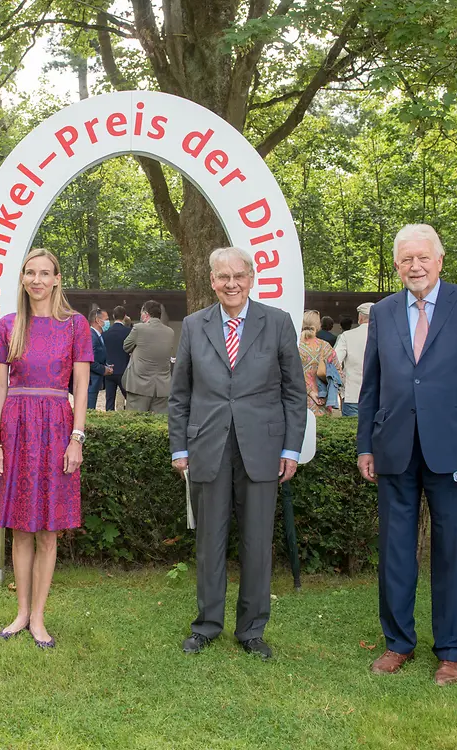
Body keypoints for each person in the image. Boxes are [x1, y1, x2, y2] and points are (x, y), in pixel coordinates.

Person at [358, 224, 457, 686]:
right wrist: (365, 443)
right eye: (406, 259)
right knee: (395, 551)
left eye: (423, 257)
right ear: (397, 265)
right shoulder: (383, 312)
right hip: (395, 449)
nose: (415, 266)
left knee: (454, 552)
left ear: (440, 260)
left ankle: (452, 651)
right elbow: (371, 384)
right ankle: (398, 642)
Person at [169, 246, 306, 660]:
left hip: (262, 449)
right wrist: (179, 447)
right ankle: (207, 626)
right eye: (223, 277)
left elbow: (294, 393)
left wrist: (291, 449)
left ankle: (251, 631)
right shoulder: (194, 325)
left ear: (252, 278)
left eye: (239, 276)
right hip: (207, 446)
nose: (231, 284)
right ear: (212, 281)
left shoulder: (278, 323)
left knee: (257, 542)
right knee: (209, 541)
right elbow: (179, 396)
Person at [0, 248, 92, 649]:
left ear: (57, 279)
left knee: (49, 530)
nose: (37, 280)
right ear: (23, 278)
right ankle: (21, 613)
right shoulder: (8, 325)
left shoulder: (75, 325)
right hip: (16, 428)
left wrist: (76, 437)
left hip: (56, 428)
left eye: (45, 273)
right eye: (30, 272)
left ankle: (40, 618)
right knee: (20, 527)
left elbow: (81, 386)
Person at [122, 300, 175, 414]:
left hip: (138, 385)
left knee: (135, 422)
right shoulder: (170, 332)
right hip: (162, 386)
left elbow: (126, 346)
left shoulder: (139, 328)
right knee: (158, 425)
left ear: (146, 314)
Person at [298, 310, 342, 416]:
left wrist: (310, 392)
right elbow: (339, 374)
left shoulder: (295, 345)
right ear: (318, 325)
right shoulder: (325, 346)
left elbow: (288, 375)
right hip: (322, 401)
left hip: (298, 401)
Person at [334, 302, 373, 417]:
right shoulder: (385, 336)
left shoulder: (346, 336)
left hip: (353, 393)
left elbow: (335, 361)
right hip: (379, 395)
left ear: (360, 318)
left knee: (352, 432)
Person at [101, 305, 131, 410]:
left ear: (113, 316)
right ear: (125, 316)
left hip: (109, 370)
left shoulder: (106, 333)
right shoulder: (128, 332)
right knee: (130, 399)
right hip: (124, 371)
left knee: (109, 400)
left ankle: (109, 420)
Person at [87, 307, 112, 410]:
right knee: (89, 410)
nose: (108, 322)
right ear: (98, 320)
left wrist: (106, 366)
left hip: (94, 382)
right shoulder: (92, 336)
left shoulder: (98, 336)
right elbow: (90, 360)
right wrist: (104, 369)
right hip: (90, 382)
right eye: (106, 319)